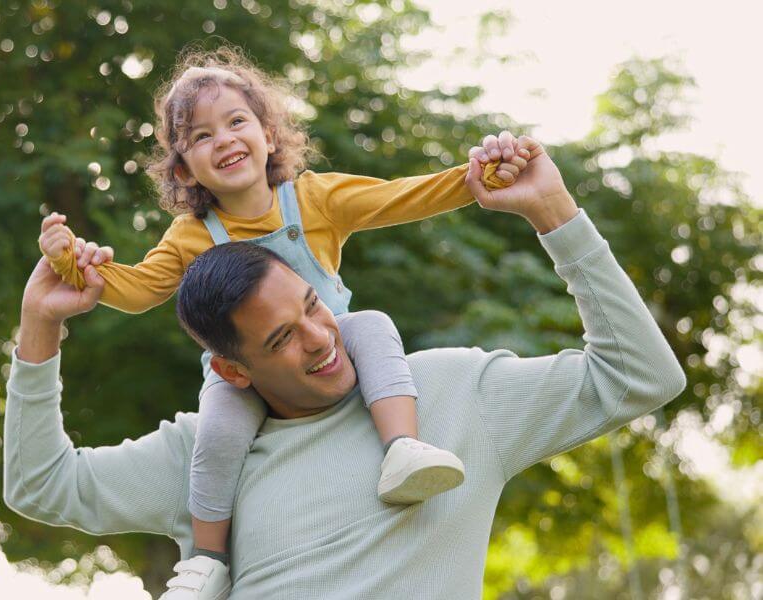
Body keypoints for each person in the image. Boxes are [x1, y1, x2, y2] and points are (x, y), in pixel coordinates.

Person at [4, 133, 686, 599]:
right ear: (233, 371)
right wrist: (41, 325)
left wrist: (552, 211)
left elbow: (641, 375)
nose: (320, 339)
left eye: (312, 307)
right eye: (280, 341)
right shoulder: (202, 455)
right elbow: (40, 485)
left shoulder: (453, 392)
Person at [36, 46, 530, 595]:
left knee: (371, 324)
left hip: (335, 352)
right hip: (251, 377)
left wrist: (477, 178)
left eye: (236, 121)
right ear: (184, 168)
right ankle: (207, 558)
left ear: (268, 135)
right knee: (217, 432)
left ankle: (401, 450)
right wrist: (72, 265)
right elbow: (136, 291)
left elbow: (399, 199)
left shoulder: (314, 198)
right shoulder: (189, 237)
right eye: (201, 136)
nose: (222, 139)